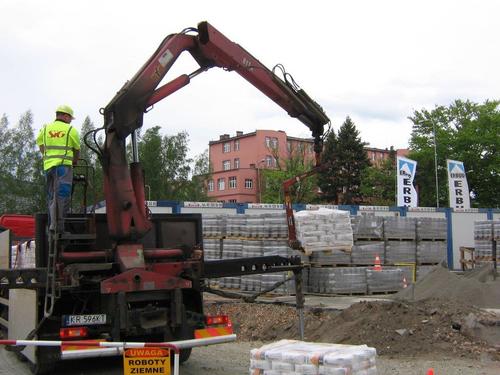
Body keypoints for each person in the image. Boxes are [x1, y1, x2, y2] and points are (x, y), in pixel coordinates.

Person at [36, 105, 80, 231]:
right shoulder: (70, 129)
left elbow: (40, 145)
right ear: (66, 116)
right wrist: (75, 161)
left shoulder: (45, 129)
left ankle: (52, 224)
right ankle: (58, 226)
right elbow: (77, 149)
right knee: (63, 194)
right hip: (64, 167)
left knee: (51, 196)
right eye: (70, 118)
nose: (70, 120)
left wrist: (47, 156)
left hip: (49, 167)